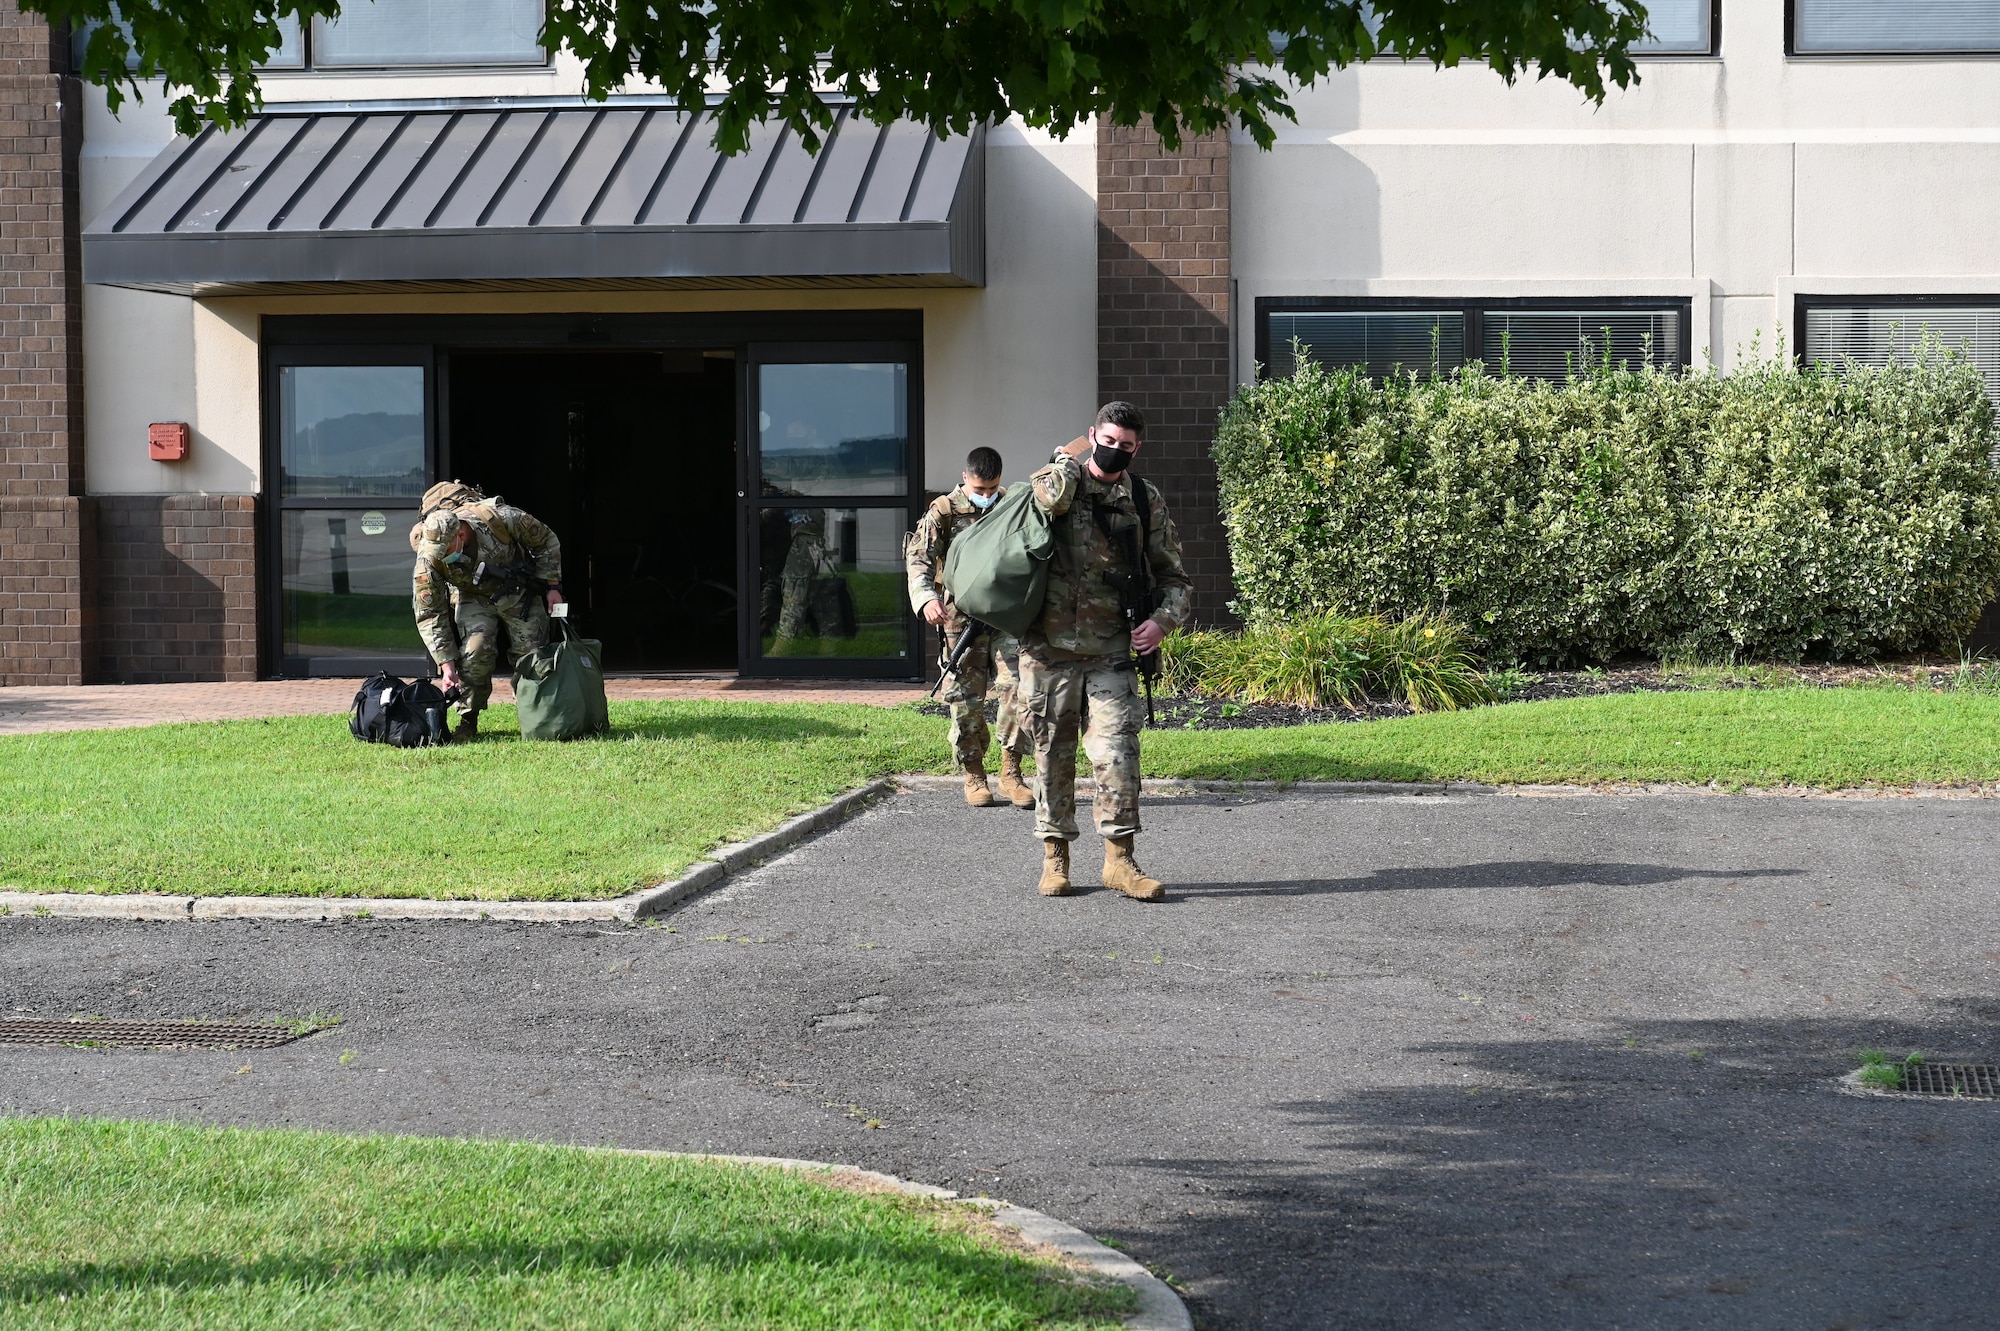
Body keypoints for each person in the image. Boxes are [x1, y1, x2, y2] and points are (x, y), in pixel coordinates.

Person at [1018, 402, 1191, 900]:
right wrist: (1070, 460)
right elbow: (1048, 504)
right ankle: (1056, 856)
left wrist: (1161, 621)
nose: (1115, 451)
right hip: (1048, 646)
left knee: (1117, 751)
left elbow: (1174, 576)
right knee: (1054, 752)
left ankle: (1120, 860)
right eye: (1108, 440)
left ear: (1139, 448)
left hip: (1113, 646)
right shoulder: (1056, 479)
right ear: (1092, 433)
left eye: (1126, 445)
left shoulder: (1143, 497)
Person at [906, 446, 1033, 808]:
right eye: (980, 488)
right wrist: (927, 598)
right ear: (965, 478)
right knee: (965, 697)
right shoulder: (943, 511)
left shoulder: (1012, 505)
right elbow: (919, 559)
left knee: (1018, 687)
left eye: (992, 488)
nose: (986, 495)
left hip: (1006, 614)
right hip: (960, 616)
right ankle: (974, 773)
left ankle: (1012, 771)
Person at [411, 485, 564, 740]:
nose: (440, 557)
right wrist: (446, 665)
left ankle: (537, 718)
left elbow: (546, 541)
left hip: (519, 591)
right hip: (474, 597)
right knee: (474, 653)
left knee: (532, 656)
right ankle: (467, 720)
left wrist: (552, 586)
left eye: (445, 552)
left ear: (460, 534)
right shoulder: (429, 558)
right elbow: (430, 613)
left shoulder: (500, 518)